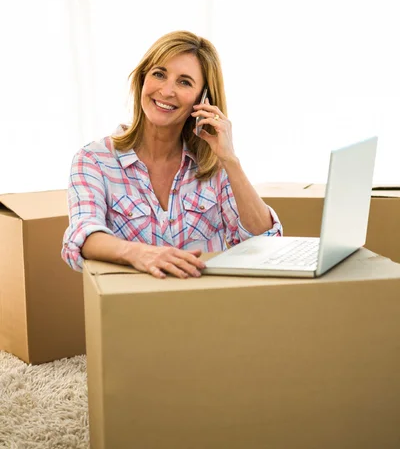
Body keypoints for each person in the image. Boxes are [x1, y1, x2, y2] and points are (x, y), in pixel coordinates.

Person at [62, 30, 282, 279]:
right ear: (143, 80)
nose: (167, 91)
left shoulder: (215, 164)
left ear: (203, 99)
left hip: (209, 308)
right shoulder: (94, 160)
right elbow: (82, 235)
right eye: (159, 74)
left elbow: (265, 241)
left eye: (184, 82)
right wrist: (140, 254)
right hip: (131, 309)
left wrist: (230, 160)